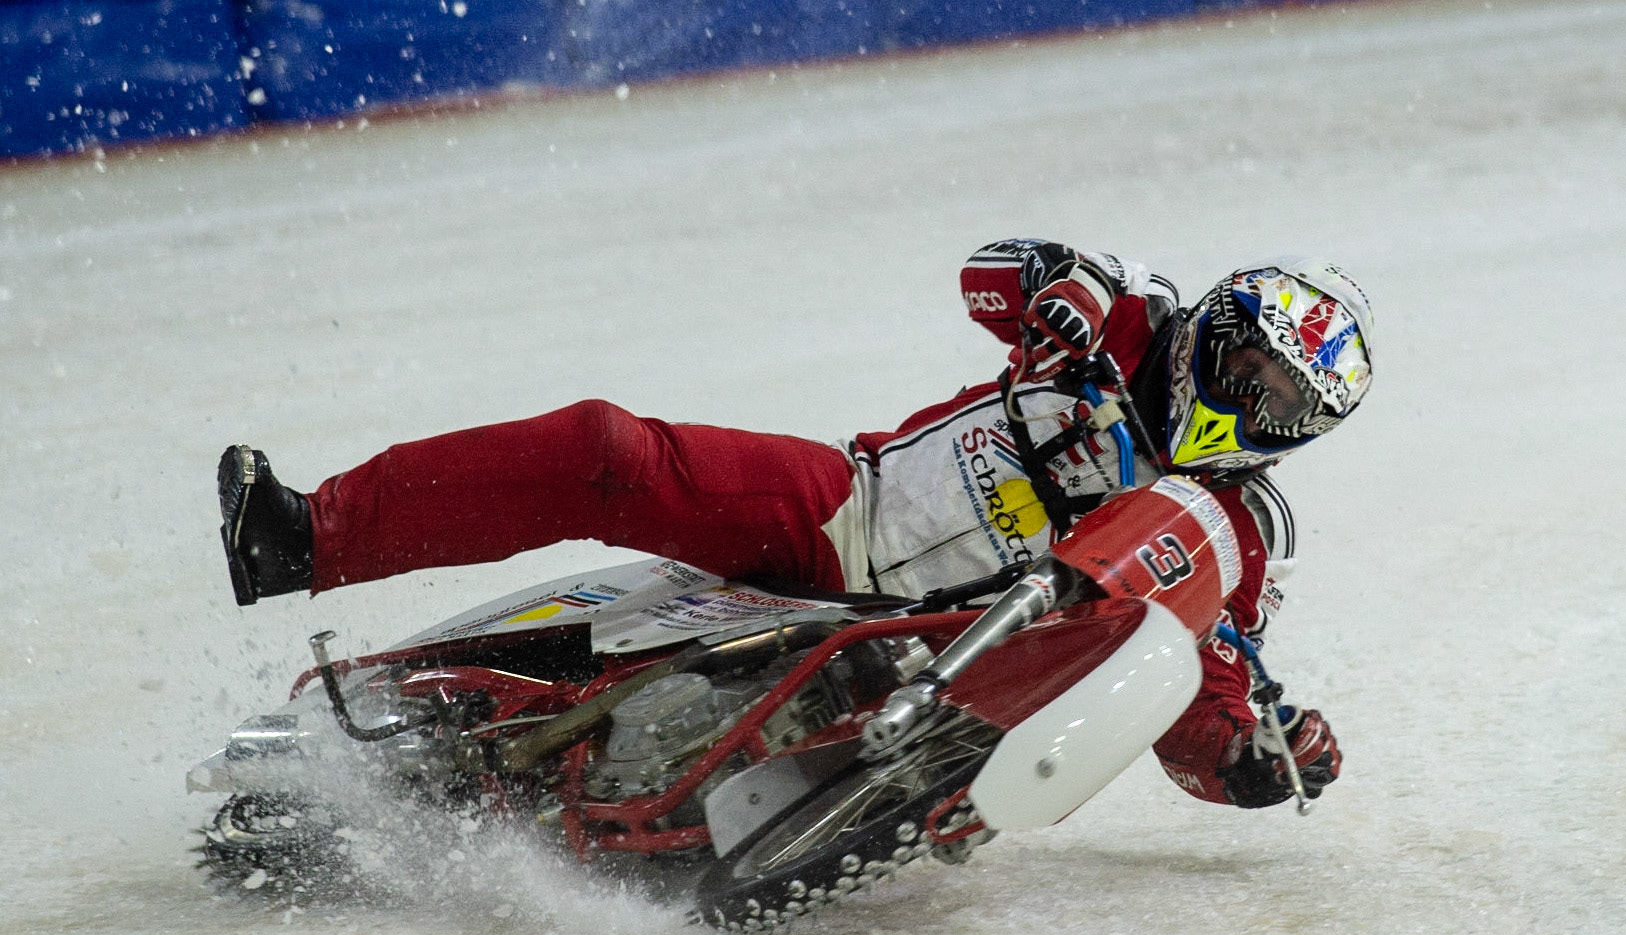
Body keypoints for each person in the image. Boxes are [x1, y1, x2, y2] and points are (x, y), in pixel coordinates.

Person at [219, 239, 1372, 810]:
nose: (1250, 402)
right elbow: (987, 274)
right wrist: (1058, 285)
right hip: (843, 508)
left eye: (1281, 403)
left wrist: (1246, 761)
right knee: (603, 451)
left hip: (950, 644)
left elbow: (1194, 682)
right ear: (1215, 330)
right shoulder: (1127, 321)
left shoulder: (1227, 526)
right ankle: (308, 537)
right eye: (1248, 366)